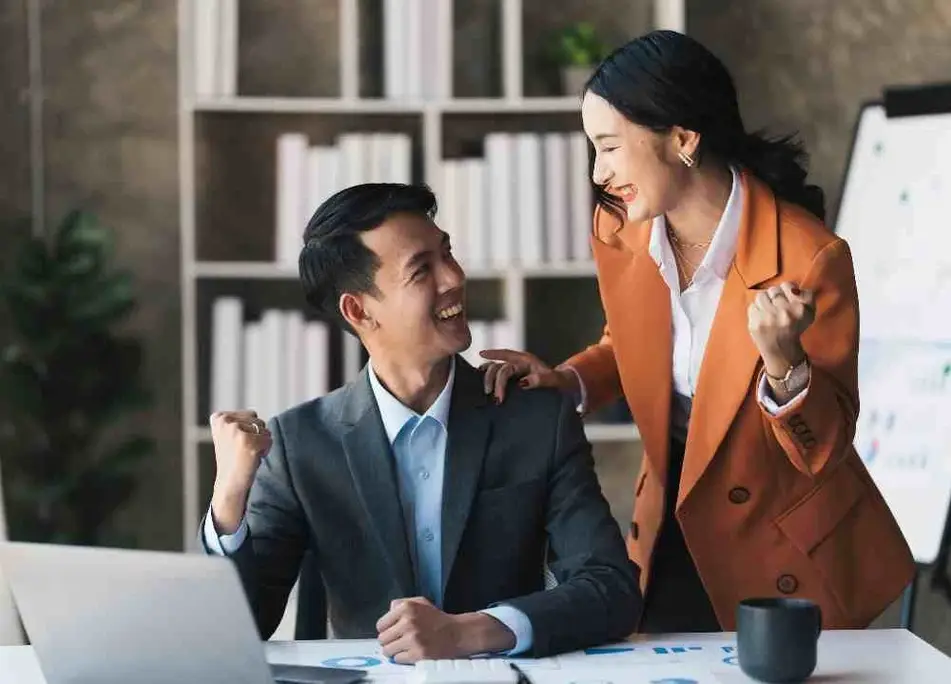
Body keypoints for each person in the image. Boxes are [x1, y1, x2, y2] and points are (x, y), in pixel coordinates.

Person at [481, 30, 915, 633]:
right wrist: (569, 381)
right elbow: (628, 348)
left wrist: (786, 366)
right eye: (593, 150)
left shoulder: (809, 258)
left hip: (780, 548)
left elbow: (826, 448)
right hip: (671, 521)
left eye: (608, 147)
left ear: (683, 140)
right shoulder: (623, 229)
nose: (599, 172)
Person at [200, 183, 642, 662]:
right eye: (421, 270)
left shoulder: (535, 419)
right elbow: (241, 628)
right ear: (359, 310)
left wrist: (471, 632)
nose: (453, 277)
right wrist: (229, 498)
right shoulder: (300, 444)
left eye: (447, 252)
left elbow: (611, 589)